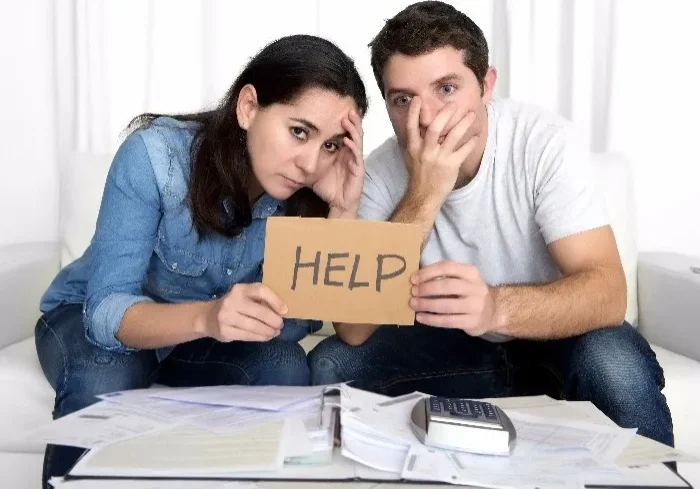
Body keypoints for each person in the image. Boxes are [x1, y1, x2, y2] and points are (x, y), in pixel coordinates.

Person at [308, 1, 674, 448]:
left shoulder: (542, 142)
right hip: (451, 350)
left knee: (613, 363)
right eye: (403, 99)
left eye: (446, 88)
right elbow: (352, 328)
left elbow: (608, 293)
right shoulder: (381, 169)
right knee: (332, 363)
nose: (425, 118)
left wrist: (494, 309)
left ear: (486, 85)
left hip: (556, 341)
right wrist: (426, 191)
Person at [36, 34, 367, 486]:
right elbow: (105, 312)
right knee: (103, 373)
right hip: (93, 316)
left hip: (204, 340)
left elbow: (293, 323)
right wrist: (209, 317)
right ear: (249, 107)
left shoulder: (307, 196)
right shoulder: (155, 157)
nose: (311, 163)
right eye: (299, 131)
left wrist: (343, 213)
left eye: (330, 145)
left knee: (285, 364)